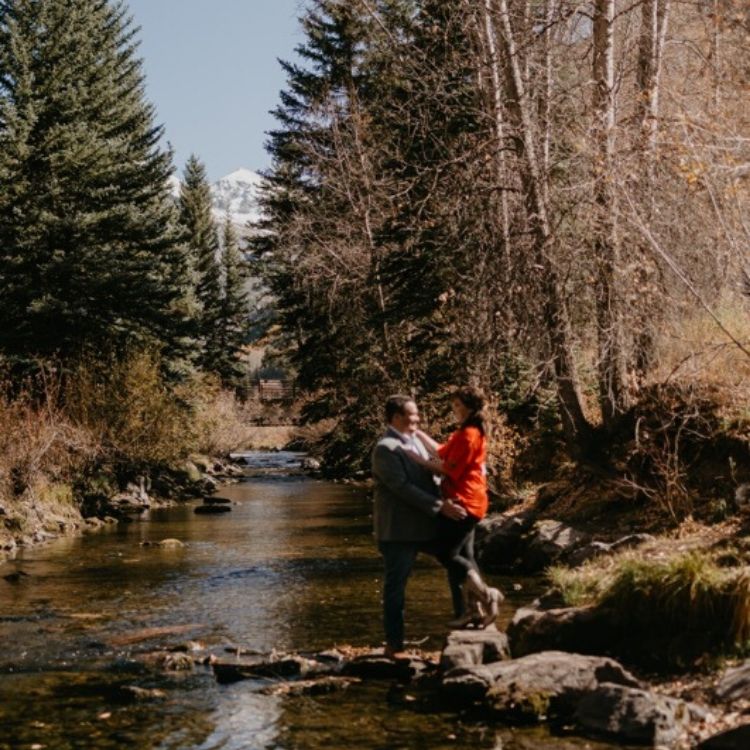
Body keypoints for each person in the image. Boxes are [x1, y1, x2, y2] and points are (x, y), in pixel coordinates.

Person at [371, 394, 468, 658]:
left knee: (459, 563)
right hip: (399, 531)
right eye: (411, 415)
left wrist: (455, 489)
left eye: (417, 415)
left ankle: (466, 620)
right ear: (395, 418)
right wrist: (441, 507)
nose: (417, 419)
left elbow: (434, 472)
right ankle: (394, 645)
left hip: (427, 525)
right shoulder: (385, 448)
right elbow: (402, 488)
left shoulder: (416, 442)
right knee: (396, 588)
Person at [401, 386, 502, 628]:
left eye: (457, 405)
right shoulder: (465, 432)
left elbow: (448, 469)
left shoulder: (469, 435)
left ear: (467, 407)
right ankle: (473, 612)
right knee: (465, 557)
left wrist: (414, 458)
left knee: (444, 552)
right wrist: (417, 434)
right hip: (467, 499)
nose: (453, 410)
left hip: (464, 501)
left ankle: (488, 595)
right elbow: (440, 453)